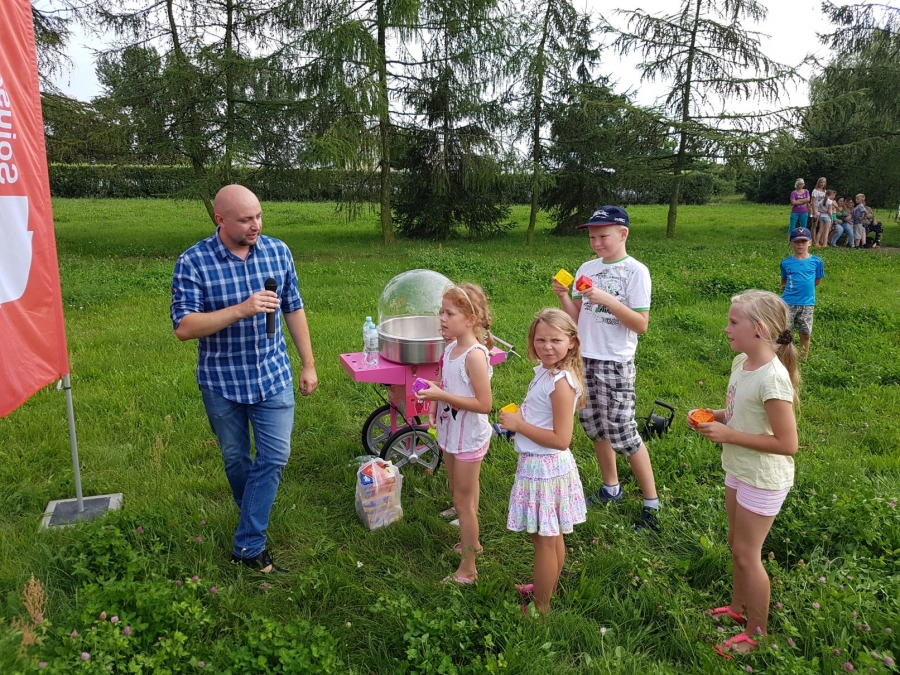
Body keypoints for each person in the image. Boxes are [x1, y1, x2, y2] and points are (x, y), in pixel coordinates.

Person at [171, 184, 318, 574]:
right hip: (222, 382)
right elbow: (184, 327)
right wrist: (241, 309)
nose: (256, 225)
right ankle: (252, 514)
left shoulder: (277, 251)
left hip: (272, 374)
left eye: (259, 216)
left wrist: (308, 363)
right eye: (245, 220)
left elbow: (293, 308)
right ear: (220, 219)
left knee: (275, 457)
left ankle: (249, 545)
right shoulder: (194, 262)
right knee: (236, 460)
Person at [689, 290, 799, 658]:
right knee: (735, 542)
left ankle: (756, 634)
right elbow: (739, 412)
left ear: (759, 329)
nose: (726, 328)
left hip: (763, 478)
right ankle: (738, 609)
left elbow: (788, 443)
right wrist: (715, 416)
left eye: (733, 322)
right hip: (739, 467)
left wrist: (728, 435)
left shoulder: (774, 379)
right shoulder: (742, 362)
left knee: (748, 554)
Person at [552, 205, 661, 533]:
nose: (596, 243)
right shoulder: (587, 268)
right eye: (592, 237)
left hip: (615, 362)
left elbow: (640, 324)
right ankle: (611, 488)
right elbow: (576, 317)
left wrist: (608, 300)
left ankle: (652, 504)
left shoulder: (635, 271)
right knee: (594, 426)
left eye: (603, 236)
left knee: (622, 431)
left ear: (623, 233)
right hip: (583, 359)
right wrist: (563, 296)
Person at [499, 308, 587, 616]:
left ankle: (541, 607)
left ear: (571, 342)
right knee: (551, 534)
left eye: (555, 340)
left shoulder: (561, 383)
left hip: (545, 466)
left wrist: (519, 425)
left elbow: (562, 439)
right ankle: (547, 585)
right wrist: (521, 417)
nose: (547, 346)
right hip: (542, 464)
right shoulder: (547, 371)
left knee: (544, 541)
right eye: (540, 340)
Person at [416, 282, 493, 585]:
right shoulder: (450, 349)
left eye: (450, 313)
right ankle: (472, 542)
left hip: (468, 438)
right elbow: (446, 384)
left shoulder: (474, 356)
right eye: (442, 312)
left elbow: (484, 404)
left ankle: (468, 569)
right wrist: (435, 400)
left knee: (463, 503)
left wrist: (442, 396)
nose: (442, 319)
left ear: (471, 320)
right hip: (451, 432)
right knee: (461, 494)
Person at [780, 227, 824, 358]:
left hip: (807, 303)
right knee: (785, 333)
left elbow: (817, 281)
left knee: (805, 333)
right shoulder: (786, 263)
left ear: (810, 242)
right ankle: (785, 357)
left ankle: (803, 358)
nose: (800, 244)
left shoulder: (817, 262)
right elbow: (784, 281)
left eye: (803, 241)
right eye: (796, 241)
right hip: (788, 303)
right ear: (791, 243)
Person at [809, 177, 828, 248]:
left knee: (822, 226)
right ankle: (813, 240)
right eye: (821, 182)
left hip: (822, 210)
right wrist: (814, 212)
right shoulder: (815, 191)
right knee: (814, 225)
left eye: (824, 182)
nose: (822, 184)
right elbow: (813, 202)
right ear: (818, 183)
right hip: (815, 209)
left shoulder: (825, 191)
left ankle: (820, 240)